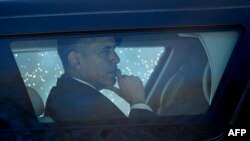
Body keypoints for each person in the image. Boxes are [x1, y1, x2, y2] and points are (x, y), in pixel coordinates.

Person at [45, 36, 154, 122]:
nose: (116, 59)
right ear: (76, 60)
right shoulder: (78, 107)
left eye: (113, 50)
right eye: (105, 51)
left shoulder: (69, 98)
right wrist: (138, 102)